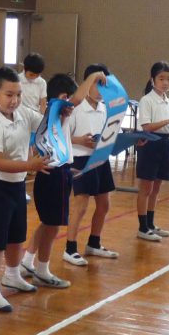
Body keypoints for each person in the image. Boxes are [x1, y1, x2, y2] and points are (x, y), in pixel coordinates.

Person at [20, 69, 106, 284]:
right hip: (53, 175)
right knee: (53, 226)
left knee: (48, 223)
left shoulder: (59, 117)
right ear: (61, 98)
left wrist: (68, 167)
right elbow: (77, 99)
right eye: (68, 99)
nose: (72, 105)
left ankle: (28, 260)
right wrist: (93, 76)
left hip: (61, 171)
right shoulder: (55, 110)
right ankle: (43, 270)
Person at [0, 66, 50, 312]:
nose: (14, 100)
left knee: (16, 237)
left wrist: (61, 110)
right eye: (9, 95)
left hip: (17, 185)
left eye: (18, 94)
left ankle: (13, 275)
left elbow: (46, 122)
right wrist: (30, 165)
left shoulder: (23, 114)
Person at [64, 64, 119, 265]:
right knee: (81, 205)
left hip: (100, 159)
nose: (101, 90)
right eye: (98, 84)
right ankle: (70, 248)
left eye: (105, 86)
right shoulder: (75, 108)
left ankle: (94, 243)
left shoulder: (104, 108)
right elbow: (61, 135)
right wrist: (80, 141)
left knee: (104, 204)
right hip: (80, 159)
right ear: (87, 83)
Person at [135, 61, 169, 241]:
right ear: (153, 80)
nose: (165, 82)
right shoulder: (146, 100)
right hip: (150, 144)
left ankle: (150, 224)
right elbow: (146, 126)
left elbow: (167, 127)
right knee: (146, 187)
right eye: (161, 78)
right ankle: (142, 227)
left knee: (156, 187)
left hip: (164, 143)